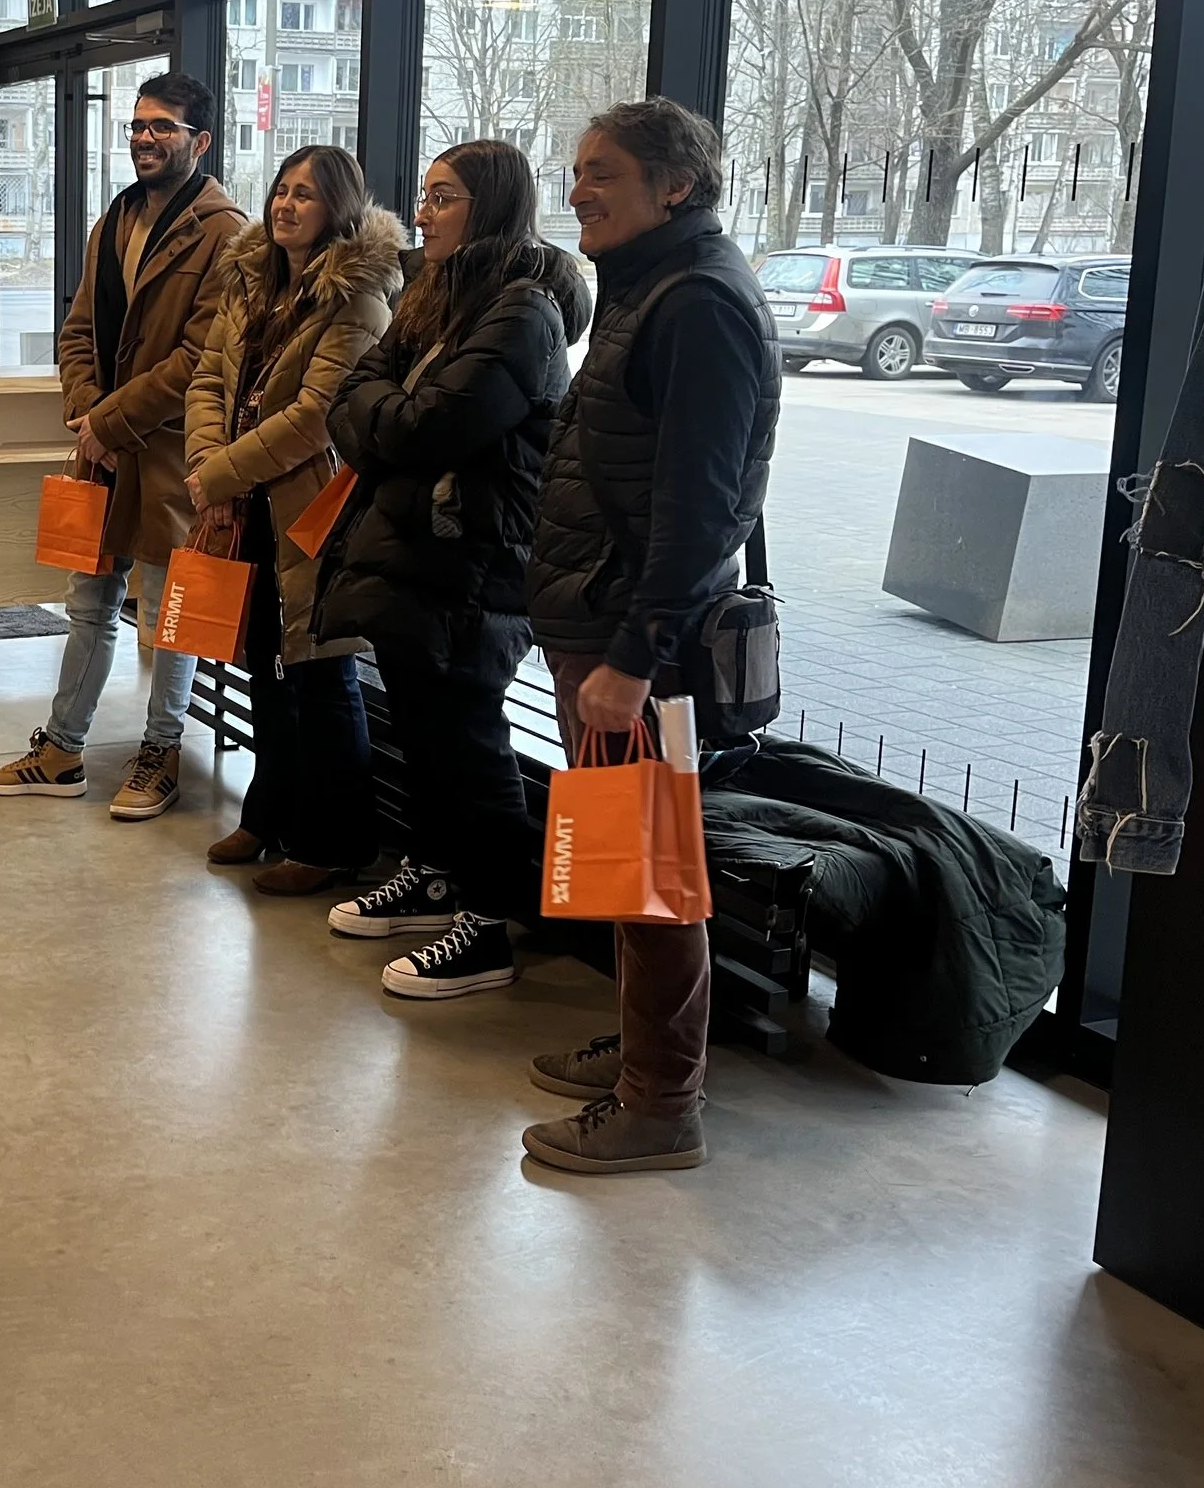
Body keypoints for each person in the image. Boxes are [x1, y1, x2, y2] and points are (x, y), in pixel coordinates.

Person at [519, 97, 780, 1172]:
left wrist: (632, 655)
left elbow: (700, 508)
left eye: (603, 173)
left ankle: (660, 1105)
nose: (578, 189)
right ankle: (642, 1051)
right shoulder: (649, 288)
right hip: (602, 618)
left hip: (640, 639)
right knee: (629, 866)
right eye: (576, 170)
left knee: (647, 872)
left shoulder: (698, 305)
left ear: (675, 187)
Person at [314, 140, 591, 998]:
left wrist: (379, 413)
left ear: (493, 206)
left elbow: (416, 430)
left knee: (469, 744)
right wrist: (380, 411)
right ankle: (434, 877)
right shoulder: (439, 297)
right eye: (426, 193)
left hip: (472, 564)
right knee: (428, 736)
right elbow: (353, 397)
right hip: (413, 555)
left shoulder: (521, 310)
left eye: (443, 197)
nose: (422, 213)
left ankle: (490, 922)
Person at [0, 72, 246, 820]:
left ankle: (160, 753)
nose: (145, 137)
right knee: (87, 603)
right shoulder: (114, 220)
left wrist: (109, 421)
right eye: (136, 125)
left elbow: (198, 358)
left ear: (201, 141)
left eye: (162, 126)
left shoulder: (227, 233)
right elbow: (79, 330)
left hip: (170, 456)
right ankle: (62, 750)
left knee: (168, 613)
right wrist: (85, 412)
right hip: (104, 450)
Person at [185, 145, 401, 894]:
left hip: (311, 513)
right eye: (281, 190)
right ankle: (268, 813)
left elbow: (317, 418)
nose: (285, 205)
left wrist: (217, 470)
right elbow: (209, 377)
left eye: (305, 195)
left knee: (321, 674)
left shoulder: (359, 299)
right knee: (265, 671)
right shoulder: (251, 282)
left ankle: (335, 842)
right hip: (244, 506)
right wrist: (209, 462)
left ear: (337, 207)